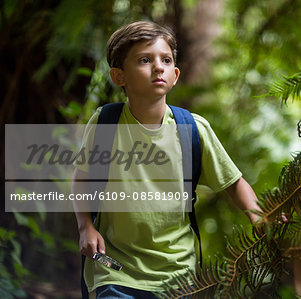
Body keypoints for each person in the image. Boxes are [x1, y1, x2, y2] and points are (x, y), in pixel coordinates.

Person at [72, 20, 262, 298]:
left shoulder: (192, 128)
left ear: (174, 74)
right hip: (114, 269)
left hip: (178, 274)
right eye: (145, 60)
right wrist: (85, 227)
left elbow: (233, 183)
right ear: (119, 76)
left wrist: (259, 218)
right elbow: (81, 178)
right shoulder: (105, 124)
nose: (158, 66)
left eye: (166, 60)